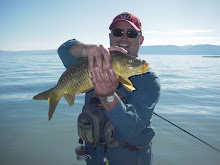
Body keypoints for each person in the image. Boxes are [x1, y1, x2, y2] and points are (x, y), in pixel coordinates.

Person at [58, 12, 160, 165]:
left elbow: (131, 131)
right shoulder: (95, 62)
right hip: (95, 158)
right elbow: (63, 50)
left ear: (141, 39)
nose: (124, 38)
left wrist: (108, 97)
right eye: (118, 32)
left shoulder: (149, 80)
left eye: (131, 33)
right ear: (110, 36)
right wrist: (85, 49)